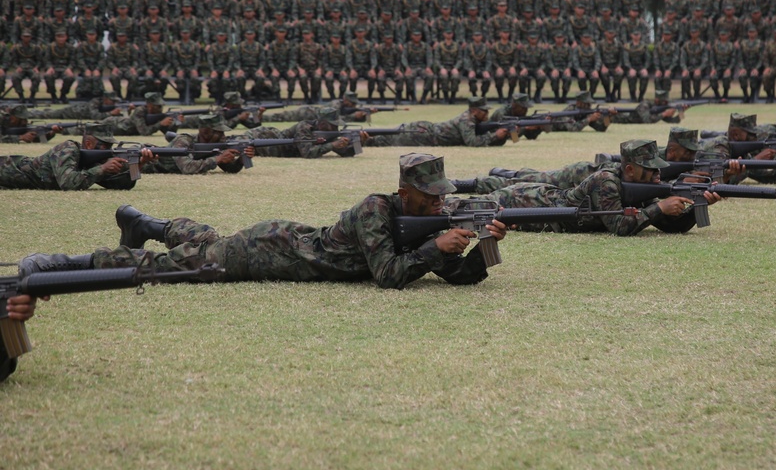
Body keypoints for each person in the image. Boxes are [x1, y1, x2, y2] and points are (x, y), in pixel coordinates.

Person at [19, 154, 506, 290]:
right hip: (268, 250)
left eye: (443, 197)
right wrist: (435, 248)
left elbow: (454, 275)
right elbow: (390, 276)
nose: (441, 205)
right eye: (430, 197)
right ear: (405, 193)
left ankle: (144, 220)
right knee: (175, 266)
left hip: (285, 238)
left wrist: (479, 251)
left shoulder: (420, 224)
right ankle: (64, 263)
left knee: (209, 240)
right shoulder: (375, 210)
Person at [483, 139, 722, 236]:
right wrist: (660, 207)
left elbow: (672, 226)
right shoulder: (606, 181)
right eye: (650, 170)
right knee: (480, 205)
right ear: (629, 169)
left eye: (658, 169)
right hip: (527, 200)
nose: (657, 175)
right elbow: (619, 226)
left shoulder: (642, 188)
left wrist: (696, 206)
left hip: (540, 205)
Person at [0, 123, 153, 190]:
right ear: (88, 143)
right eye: (104, 146)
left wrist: (139, 165)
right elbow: (68, 184)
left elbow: (120, 186)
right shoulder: (67, 148)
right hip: (8, 169)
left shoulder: (93, 161)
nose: (108, 150)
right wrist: (102, 169)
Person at [365, 97, 509, 147]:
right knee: (388, 139)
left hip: (425, 132)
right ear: (475, 110)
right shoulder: (466, 120)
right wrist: (495, 136)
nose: (487, 114)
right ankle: (364, 139)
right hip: (423, 135)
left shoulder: (471, 118)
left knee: (391, 136)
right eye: (484, 110)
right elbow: (472, 142)